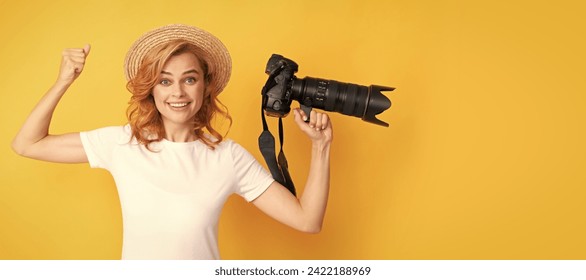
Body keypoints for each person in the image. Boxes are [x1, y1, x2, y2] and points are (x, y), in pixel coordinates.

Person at [11, 24, 333, 260]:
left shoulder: (227, 157)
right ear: (152, 90)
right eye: (165, 81)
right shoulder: (123, 144)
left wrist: (320, 147)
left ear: (205, 87)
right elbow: (28, 144)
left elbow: (307, 220)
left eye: (189, 79)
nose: (177, 92)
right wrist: (63, 81)